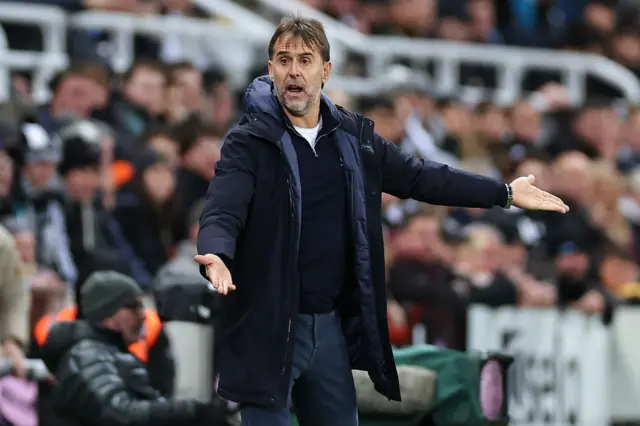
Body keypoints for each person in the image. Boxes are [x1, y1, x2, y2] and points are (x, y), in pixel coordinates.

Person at [195, 16, 568, 426]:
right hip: (269, 324)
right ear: (271, 70)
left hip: (329, 327)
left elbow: (421, 177)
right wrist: (215, 250)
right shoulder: (249, 141)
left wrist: (505, 193)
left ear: (326, 70)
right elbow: (224, 204)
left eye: (305, 59)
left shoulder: (353, 138)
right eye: (284, 60)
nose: (294, 70)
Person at [38, 271, 226, 426]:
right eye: (134, 306)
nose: (143, 315)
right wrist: (190, 410)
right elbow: (119, 413)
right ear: (109, 315)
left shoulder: (106, 351)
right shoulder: (87, 355)